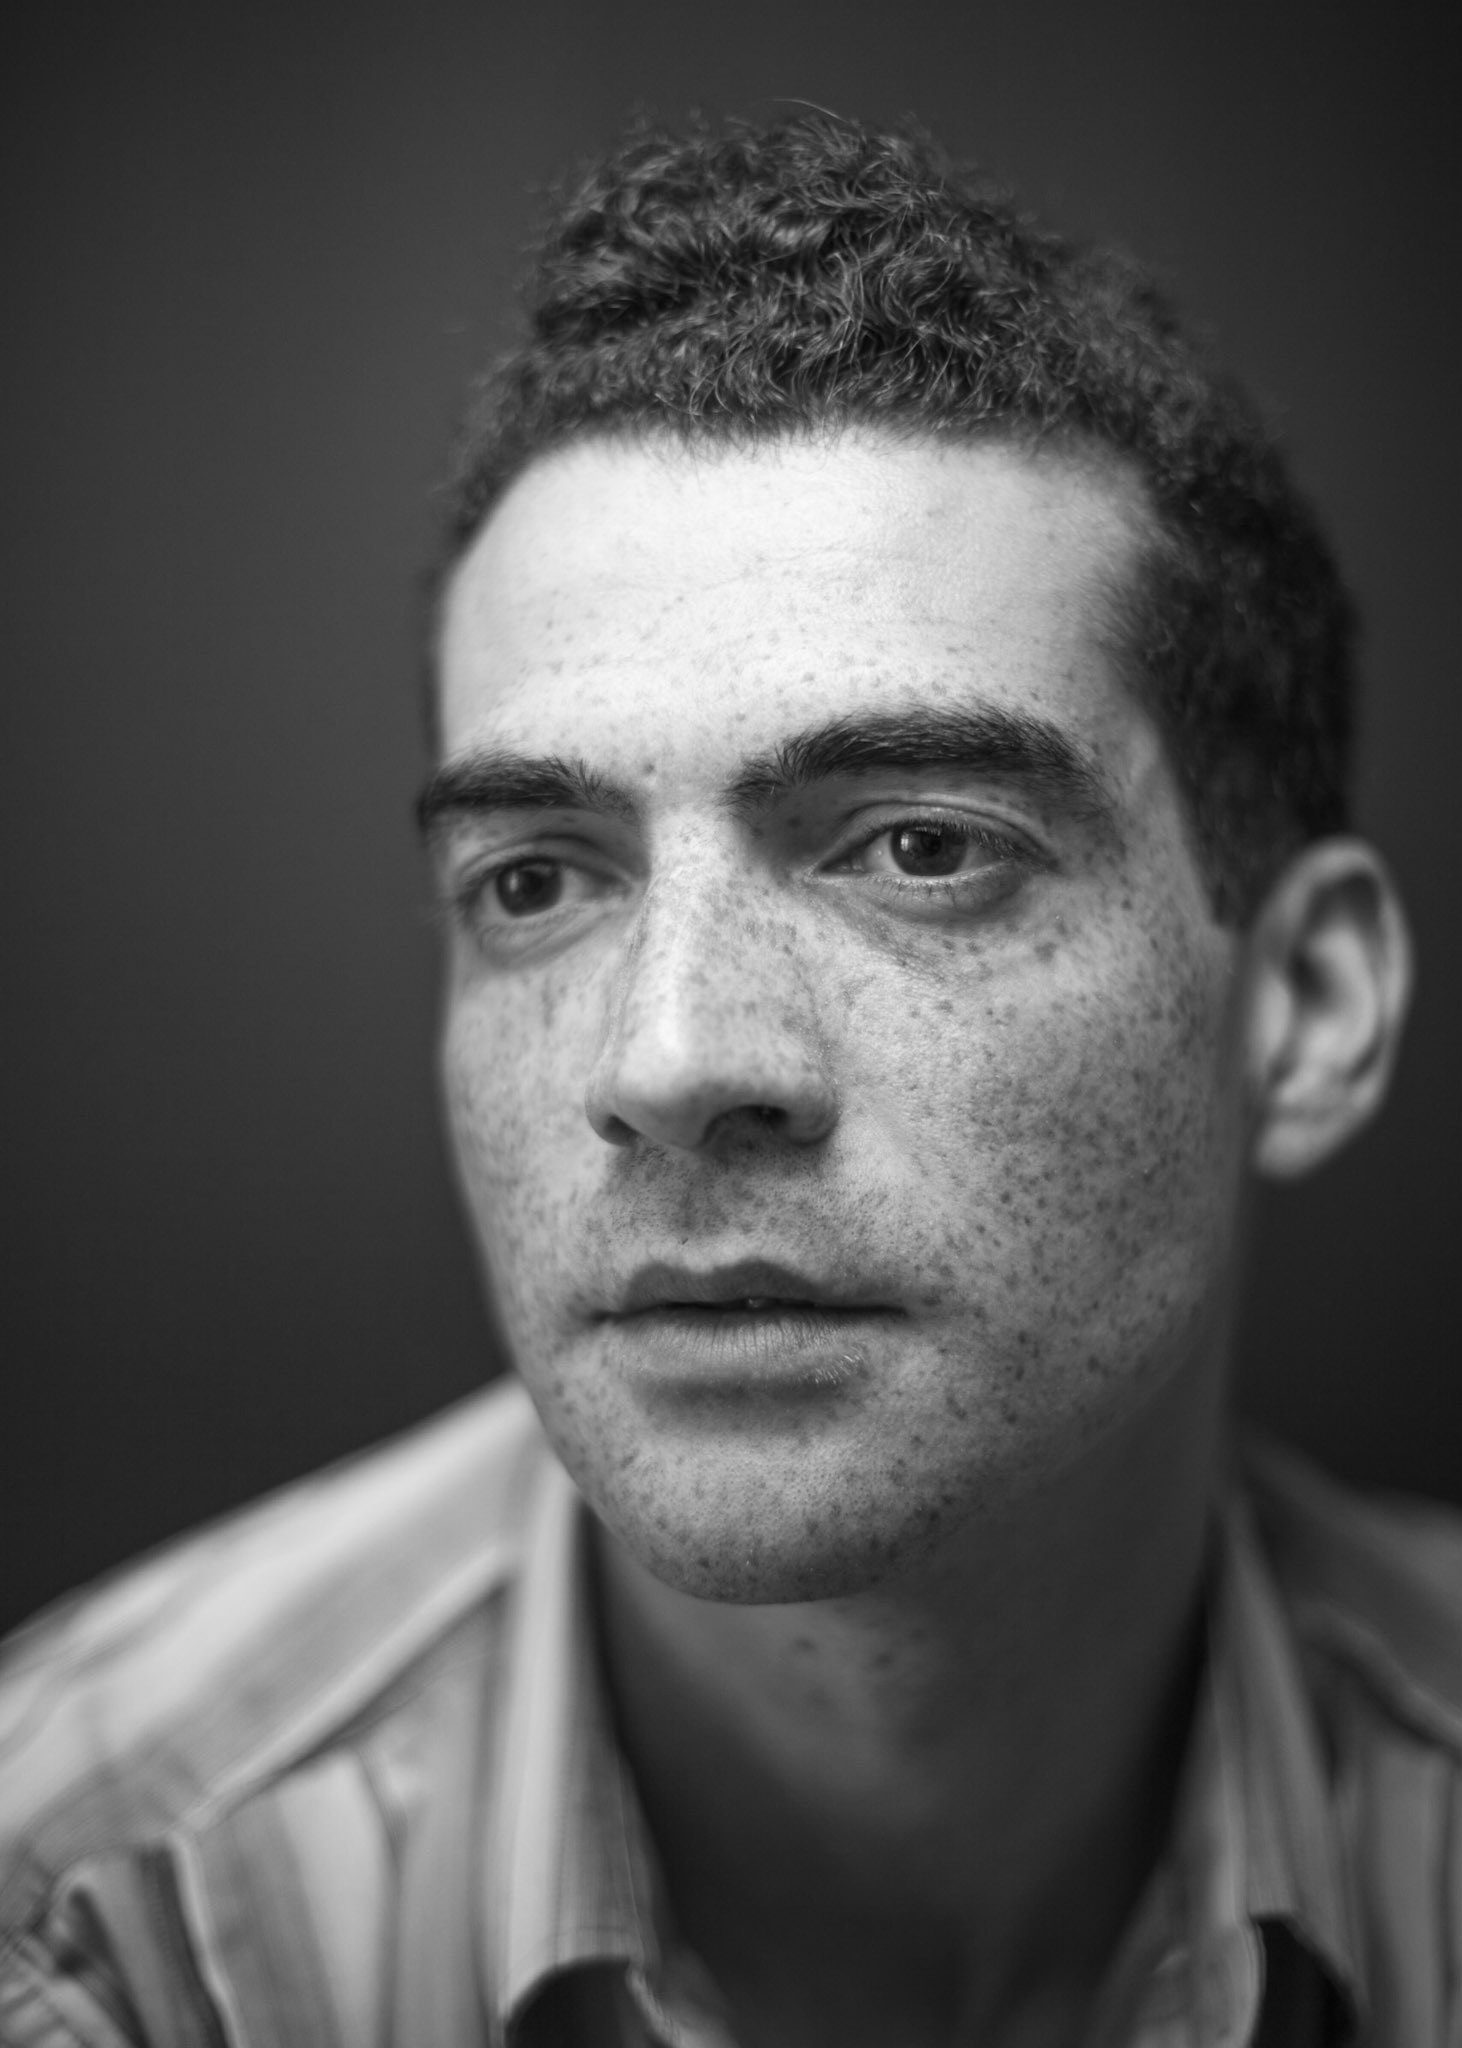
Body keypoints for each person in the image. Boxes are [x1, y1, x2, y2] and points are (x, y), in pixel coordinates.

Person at [0, 109, 1453, 2048]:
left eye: (918, 848)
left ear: (1307, 1005)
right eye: (537, 880)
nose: (669, 1057)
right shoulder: (88, 1925)